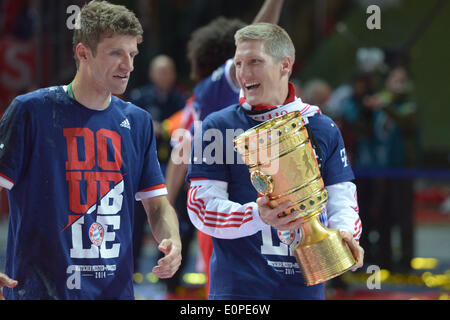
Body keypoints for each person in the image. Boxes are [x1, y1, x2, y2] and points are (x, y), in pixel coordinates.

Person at [0, 0, 181, 300]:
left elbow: (157, 205)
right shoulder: (31, 111)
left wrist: (171, 238)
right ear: (83, 53)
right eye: (116, 53)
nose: (129, 65)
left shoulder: (138, 122)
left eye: (132, 54)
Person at [186, 23, 364, 300]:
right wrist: (258, 216)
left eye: (255, 62)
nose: (244, 73)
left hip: (304, 289)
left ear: (285, 66)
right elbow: (200, 207)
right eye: (239, 63)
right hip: (238, 292)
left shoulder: (321, 126)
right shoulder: (217, 126)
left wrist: (344, 234)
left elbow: (342, 199)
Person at [165, 0, 286, 298]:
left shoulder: (202, 98)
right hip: (234, 202)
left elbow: (181, 152)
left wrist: (165, 204)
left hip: (234, 205)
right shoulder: (218, 85)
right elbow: (258, 36)